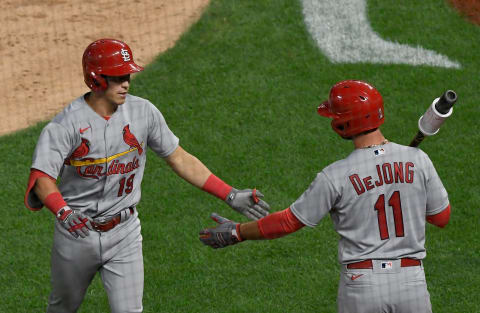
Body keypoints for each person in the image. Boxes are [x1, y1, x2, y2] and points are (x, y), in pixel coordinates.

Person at [24, 38, 270, 313]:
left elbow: (179, 158)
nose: (126, 83)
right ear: (96, 80)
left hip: (124, 233)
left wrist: (230, 193)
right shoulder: (64, 125)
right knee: (62, 308)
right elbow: (42, 178)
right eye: (117, 78)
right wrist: (64, 212)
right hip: (77, 235)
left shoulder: (143, 113)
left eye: (126, 75)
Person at [199, 80, 451, 313]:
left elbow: (288, 221)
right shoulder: (418, 160)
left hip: (364, 287)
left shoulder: (336, 175)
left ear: (344, 123)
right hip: (411, 285)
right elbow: (441, 217)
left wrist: (238, 232)